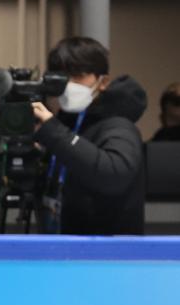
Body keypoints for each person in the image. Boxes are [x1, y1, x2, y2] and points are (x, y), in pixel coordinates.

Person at [32, 36, 147, 235]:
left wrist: (54, 132)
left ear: (103, 82)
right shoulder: (63, 125)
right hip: (63, 246)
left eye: (78, 75)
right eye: (63, 76)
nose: (69, 84)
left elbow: (114, 175)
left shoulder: (119, 126)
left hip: (107, 255)